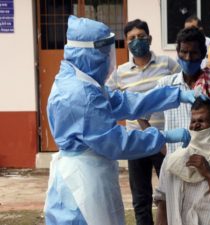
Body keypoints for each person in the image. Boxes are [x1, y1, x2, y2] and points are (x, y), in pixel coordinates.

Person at [44, 15, 199, 225]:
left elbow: (122, 102)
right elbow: (117, 143)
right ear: (91, 53)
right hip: (83, 181)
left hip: (82, 172)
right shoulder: (81, 94)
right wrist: (162, 137)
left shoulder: (78, 80)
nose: (108, 59)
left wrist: (173, 95)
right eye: (105, 53)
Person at [106, 19, 180, 225]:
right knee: (141, 198)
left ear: (150, 39)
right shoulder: (120, 73)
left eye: (141, 37)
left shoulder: (167, 64)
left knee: (171, 193)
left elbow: (181, 90)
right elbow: (107, 101)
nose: (137, 41)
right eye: (132, 38)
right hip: (136, 142)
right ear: (126, 42)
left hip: (165, 140)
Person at [154, 98, 210, 225]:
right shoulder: (171, 162)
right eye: (193, 121)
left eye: (201, 121)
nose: (195, 126)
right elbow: (162, 204)